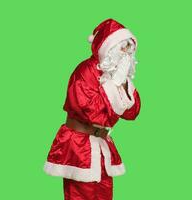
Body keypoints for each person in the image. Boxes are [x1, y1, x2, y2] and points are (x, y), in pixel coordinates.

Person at [44, 18, 141, 200]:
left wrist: (122, 82)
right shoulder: (85, 71)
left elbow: (133, 111)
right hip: (79, 148)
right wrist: (114, 84)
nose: (126, 54)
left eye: (129, 48)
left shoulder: (116, 76)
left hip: (102, 147)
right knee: (80, 195)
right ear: (109, 48)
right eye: (122, 47)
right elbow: (93, 113)